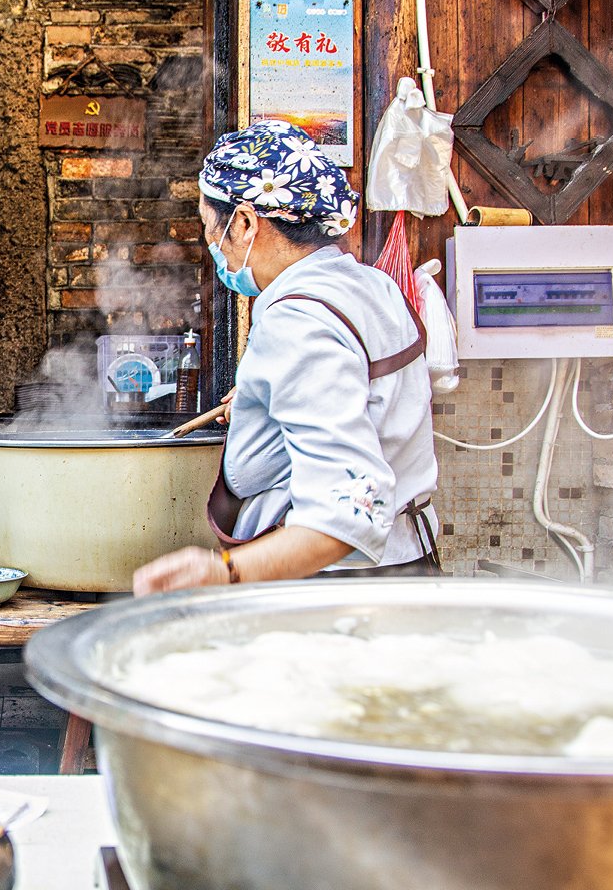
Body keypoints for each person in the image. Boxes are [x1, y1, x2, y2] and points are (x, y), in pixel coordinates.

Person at [133, 120, 439, 595]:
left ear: (245, 223)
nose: (212, 243)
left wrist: (222, 571)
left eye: (209, 225)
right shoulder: (369, 285)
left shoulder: (299, 322)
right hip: (404, 562)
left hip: (332, 586)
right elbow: (368, 397)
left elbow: (348, 513)